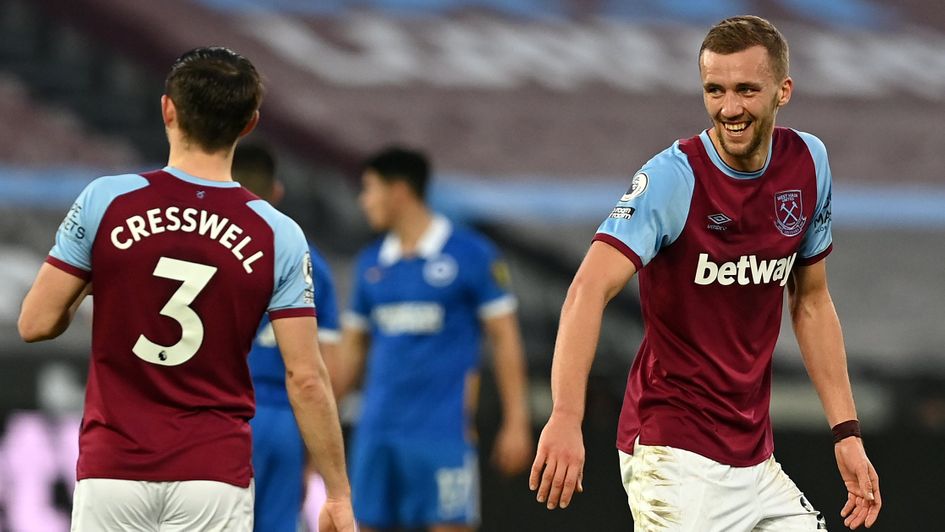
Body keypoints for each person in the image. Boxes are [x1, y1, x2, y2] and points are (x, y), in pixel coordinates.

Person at [529, 15, 882, 531]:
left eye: (746, 90)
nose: (729, 108)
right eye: (714, 90)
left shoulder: (809, 162)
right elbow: (586, 289)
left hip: (755, 459)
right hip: (674, 455)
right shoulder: (674, 178)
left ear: (783, 91)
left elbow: (810, 301)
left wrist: (846, 432)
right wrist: (565, 415)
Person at [17, 46, 355, 532]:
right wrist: (338, 493)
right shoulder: (277, 233)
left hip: (114, 467)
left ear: (167, 110)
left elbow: (35, 323)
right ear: (249, 123)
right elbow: (306, 378)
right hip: (213, 475)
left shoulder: (106, 201)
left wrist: (97, 285)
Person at [332, 146, 533, 531]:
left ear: (399, 191)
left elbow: (505, 338)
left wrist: (516, 421)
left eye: (369, 189)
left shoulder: (472, 254)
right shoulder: (371, 263)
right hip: (377, 431)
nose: (363, 201)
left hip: (441, 430)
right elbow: (352, 349)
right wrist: (322, 422)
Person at [231, 142, 341, 532]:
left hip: (222, 417)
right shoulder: (309, 260)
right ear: (276, 192)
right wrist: (321, 445)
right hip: (288, 421)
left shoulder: (204, 250)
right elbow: (327, 367)